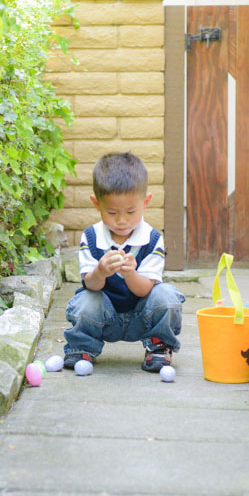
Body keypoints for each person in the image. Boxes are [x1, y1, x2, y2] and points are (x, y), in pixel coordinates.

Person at [63, 152, 185, 372]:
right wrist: (100, 271)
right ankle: (81, 347)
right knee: (85, 301)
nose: (121, 220)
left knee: (166, 295)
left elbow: (144, 289)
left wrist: (131, 274)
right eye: (111, 212)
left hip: (142, 315)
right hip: (104, 317)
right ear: (96, 204)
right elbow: (91, 285)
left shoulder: (152, 239)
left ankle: (158, 347)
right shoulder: (91, 237)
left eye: (130, 211)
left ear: (145, 202)